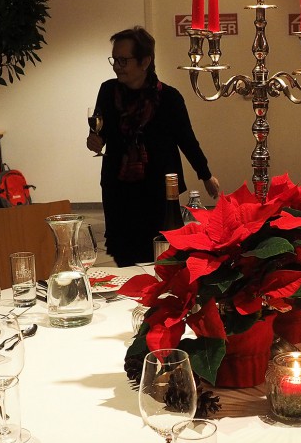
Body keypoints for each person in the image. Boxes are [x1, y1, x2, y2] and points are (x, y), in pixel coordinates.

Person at [87, 26, 221, 266]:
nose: (117, 66)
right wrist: (94, 141)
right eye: (114, 59)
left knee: (160, 252)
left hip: (157, 189)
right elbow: (100, 131)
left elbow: (187, 140)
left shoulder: (169, 98)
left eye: (123, 60)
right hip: (118, 187)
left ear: (145, 61)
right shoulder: (107, 91)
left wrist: (206, 175)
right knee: (123, 253)